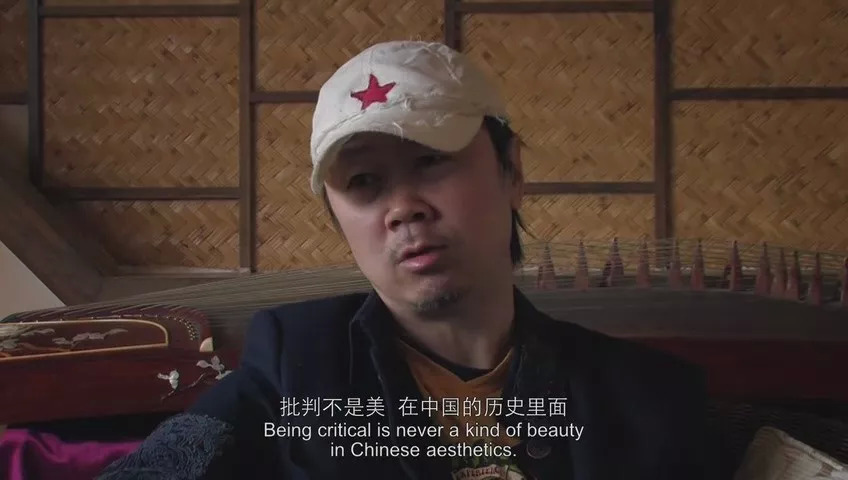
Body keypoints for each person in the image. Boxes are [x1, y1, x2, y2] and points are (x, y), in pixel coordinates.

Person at [99, 40, 708, 480]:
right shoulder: (295, 365)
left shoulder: (648, 397)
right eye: (364, 182)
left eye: (430, 161)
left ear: (512, 171)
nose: (403, 209)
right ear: (337, 218)